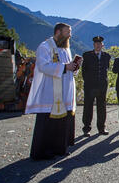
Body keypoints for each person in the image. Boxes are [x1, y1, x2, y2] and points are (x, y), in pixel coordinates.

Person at [25, 23, 82, 160]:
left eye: (70, 32)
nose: (70, 35)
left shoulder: (65, 49)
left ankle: (59, 149)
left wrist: (74, 67)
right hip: (50, 93)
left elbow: (68, 69)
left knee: (62, 122)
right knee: (47, 124)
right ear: (58, 32)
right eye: (67, 32)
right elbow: (43, 66)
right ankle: (42, 152)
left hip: (65, 92)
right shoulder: (45, 47)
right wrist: (64, 67)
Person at [81, 36, 111, 136]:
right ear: (93, 45)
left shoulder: (107, 56)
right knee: (88, 106)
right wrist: (88, 82)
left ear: (102, 45)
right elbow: (84, 71)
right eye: (96, 44)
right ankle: (86, 128)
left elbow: (106, 69)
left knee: (101, 107)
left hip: (102, 85)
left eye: (100, 44)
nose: (98, 45)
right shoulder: (87, 55)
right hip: (90, 85)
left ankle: (101, 128)